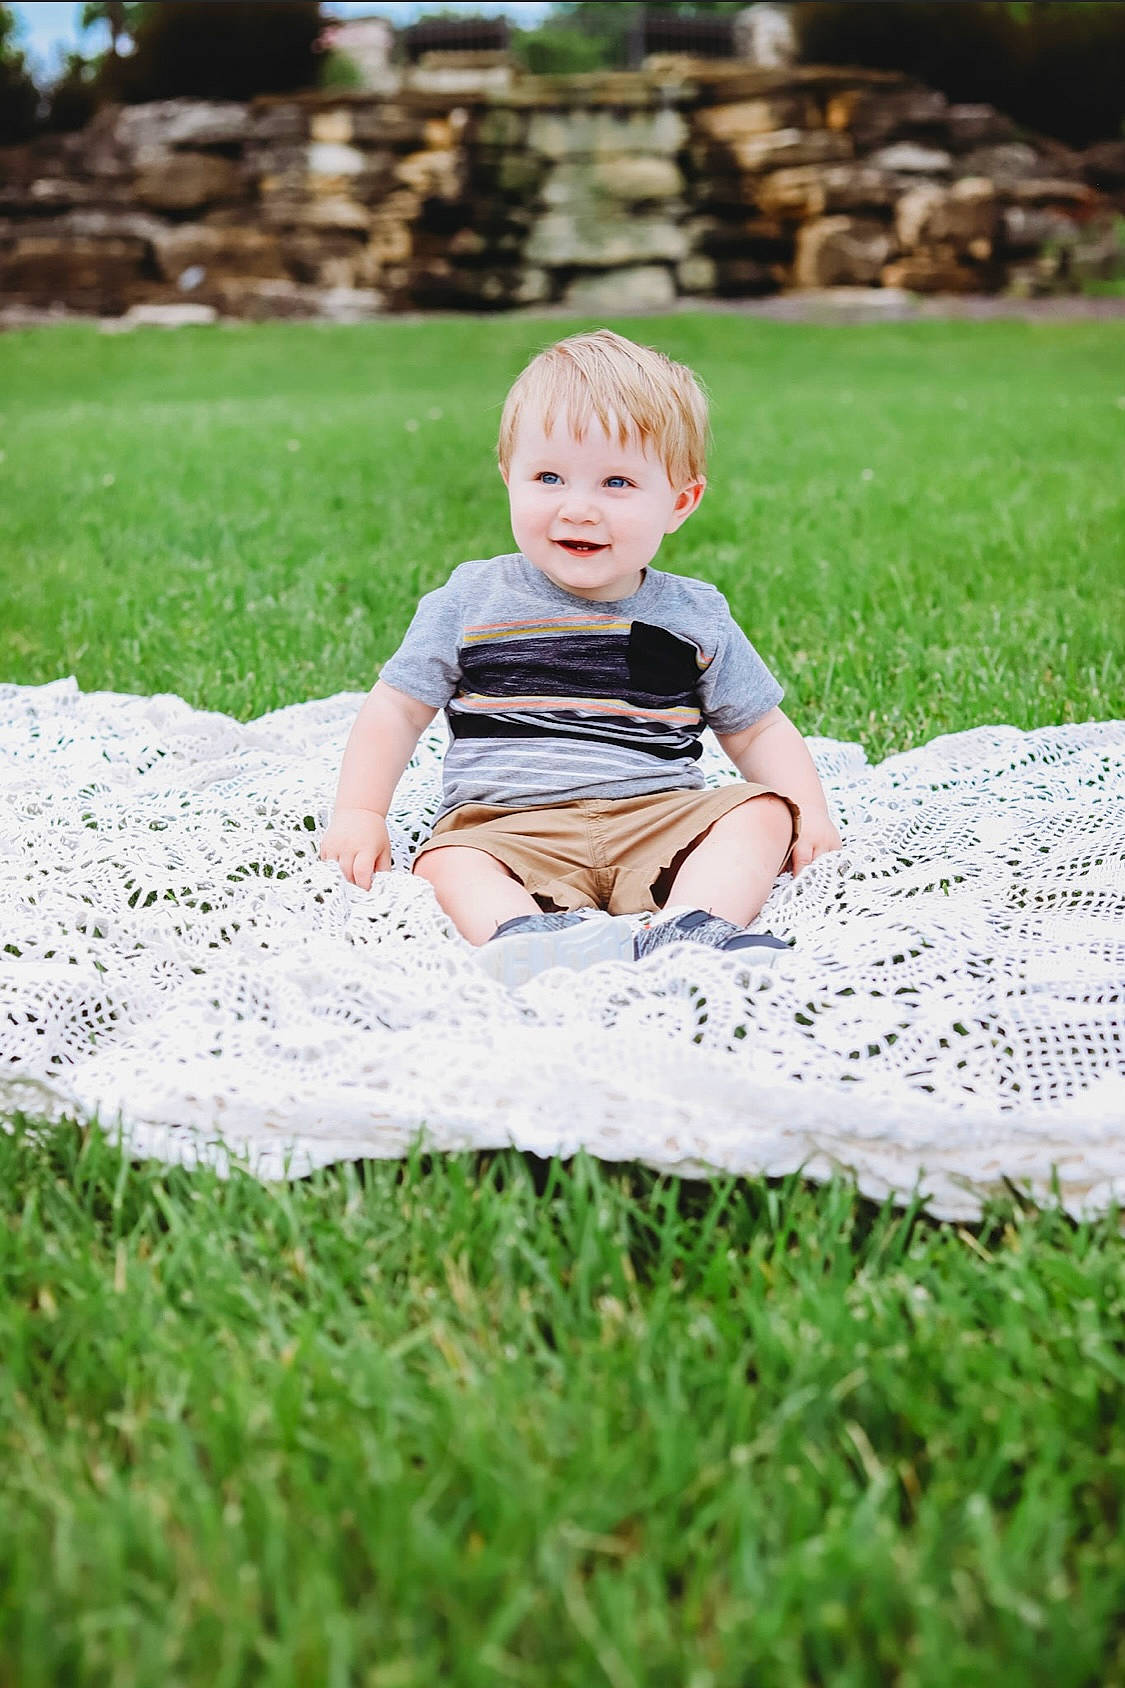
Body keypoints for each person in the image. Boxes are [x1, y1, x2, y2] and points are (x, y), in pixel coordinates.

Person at [320, 329, 841, 986]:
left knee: (761, 812)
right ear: (508, 478)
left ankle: (690, 927)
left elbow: (757, 725)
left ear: (679, 503)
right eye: (548, 477)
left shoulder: (692, 615)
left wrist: (808, 810)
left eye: (616, 482)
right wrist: (360, 814)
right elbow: (395, 711)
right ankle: (528, 935)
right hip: (510, 825)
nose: (578, 508)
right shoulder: (473, 599)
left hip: (655, 818)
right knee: (448, 863)